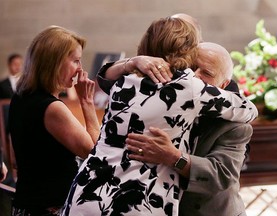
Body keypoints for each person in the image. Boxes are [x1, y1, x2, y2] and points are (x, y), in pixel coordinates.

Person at [61, 17, 257, 216]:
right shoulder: (169, 84)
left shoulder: (231, 122)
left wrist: (174, 157)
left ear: (224, 85)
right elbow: (105, 78)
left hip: (199, 211)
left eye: (205, 72)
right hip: (132, 201)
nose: (195, 75)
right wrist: (133, 62)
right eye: (192, 65)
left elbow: (222, 176)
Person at [8, 25, 100, 216]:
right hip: (48, 209)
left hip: (25, 204)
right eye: (75, 61)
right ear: (55, 62)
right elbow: (96, 155)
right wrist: (87, 102)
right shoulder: (52, 108)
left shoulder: (21, 95)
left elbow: (15, 160)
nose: (80, 69)